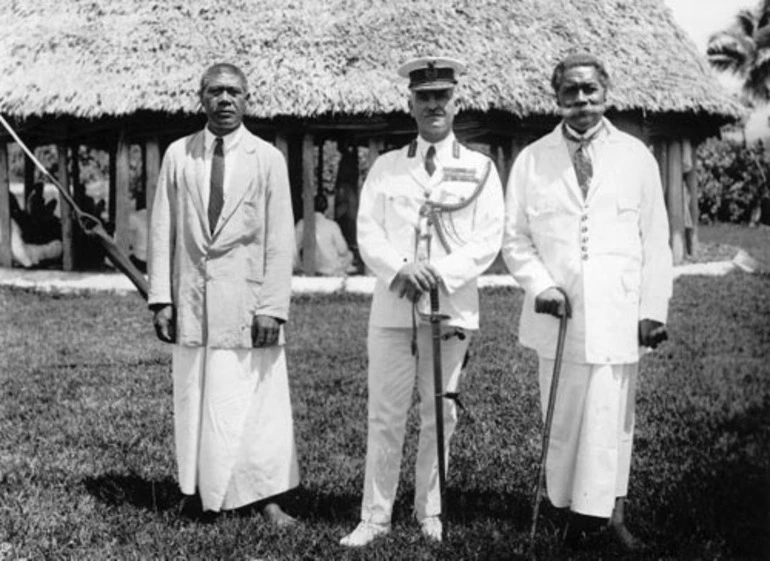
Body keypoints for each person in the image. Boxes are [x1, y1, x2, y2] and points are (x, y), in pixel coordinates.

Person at [501, 53, 673, 551]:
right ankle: (565, 512)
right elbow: (515, 239)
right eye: (571, 92)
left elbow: (655, 238)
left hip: (618, 315)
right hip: (559, 317)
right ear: (557, 97)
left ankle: (612, 515)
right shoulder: (533, 159)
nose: (581, 101)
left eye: (590, 91)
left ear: (606, 92)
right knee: (563, 419)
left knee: (613, 420)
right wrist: (540, 286)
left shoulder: (636, 155)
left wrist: (652, 310)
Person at [340, 56, 505, 546]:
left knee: (441, 412)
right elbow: (367, 232)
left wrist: (437, 274)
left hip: (450, 306)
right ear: (410, 104)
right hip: (393, 309)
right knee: (385, 412)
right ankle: (375, 516)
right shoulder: (387, 168)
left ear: (457, 104)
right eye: (424, 97)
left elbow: (487, 238)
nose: (433, 105)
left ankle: (429, 510)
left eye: (442, 97)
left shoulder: (480, 168)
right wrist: (401, 268)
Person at [147, 62, 299, 525]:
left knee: (256, 401)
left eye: (234, 91)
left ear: (248, 99)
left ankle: (266, 496)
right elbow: (161, 230)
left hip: (249, 305)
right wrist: (162, 299)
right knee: (195, 398)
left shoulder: (267, 159)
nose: (225, 100)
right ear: (201, 97)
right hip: (193, 303)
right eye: (215, 91)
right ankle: (197, 491)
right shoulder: (179, 155)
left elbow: (279, 240)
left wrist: (273, 307)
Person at [293, 193, 355, 276]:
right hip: (330, 268)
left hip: (309, 267)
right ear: (326, 208)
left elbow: (293, 247)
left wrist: (298, 266)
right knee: (350, 255)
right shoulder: (332, 225)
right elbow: (343, 250)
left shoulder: (302, 224)